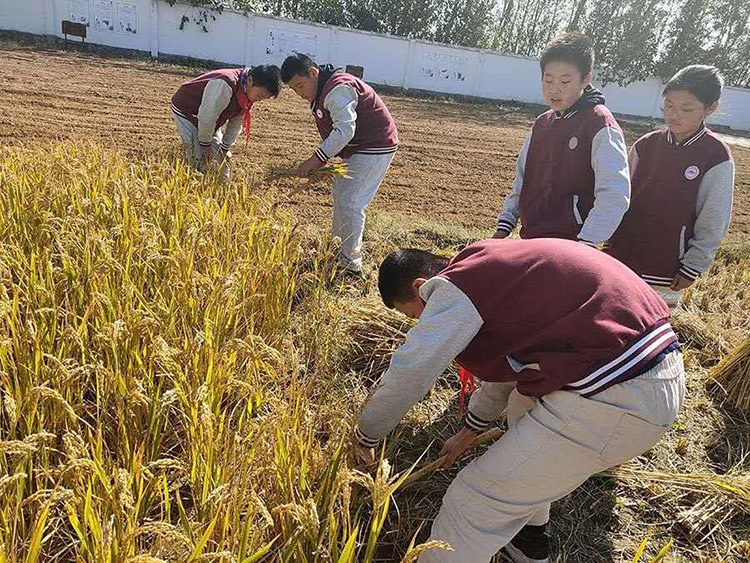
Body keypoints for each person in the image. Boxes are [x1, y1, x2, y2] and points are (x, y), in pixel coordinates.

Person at [353, 239, 685, 563]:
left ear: (422, 286)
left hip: (617, 395)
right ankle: (528, 540)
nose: (421, 324)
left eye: (414, 316)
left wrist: (366, 434)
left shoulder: (453, 288)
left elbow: (414, 366)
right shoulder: (492, 269)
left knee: (473, 501)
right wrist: (471, 429)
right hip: (651, 370)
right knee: (521, 410)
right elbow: (514, 369)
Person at [606, 65, 734, 309]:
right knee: (610, 319)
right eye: (668, 106)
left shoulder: (715, 156)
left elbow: (714, 219)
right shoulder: (646, 145)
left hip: (667, 269)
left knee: (650, 327)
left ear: (710, 108)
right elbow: (620, 196)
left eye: (686, 109)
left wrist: (693, 266)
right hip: (621, 257)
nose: (674, 115)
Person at [493, 33, 630, 247]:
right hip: (532, 239)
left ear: (586, 79)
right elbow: (521, 181)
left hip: (572, 245)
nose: (554, 89)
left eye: (565, 81)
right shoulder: (541, 124)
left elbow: (615, 193)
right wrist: (504, 225)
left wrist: (586, 243)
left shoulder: (599, 123)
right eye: (548, 80)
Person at [280, 53, 399, 275]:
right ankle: (338, 248)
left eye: (300, 85)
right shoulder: (323, 89)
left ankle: (351, 265)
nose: (299, 93)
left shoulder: (337, 89)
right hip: (358, 148)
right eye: (294, 89)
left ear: (313, 73)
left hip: (374, 146)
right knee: (340, 195)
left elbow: (345, 130)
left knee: (351, 202)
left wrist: (317, 158)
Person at [170, 65, 281, 182]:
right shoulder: (225, 83)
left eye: (263, 98)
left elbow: (236, 122)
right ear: (250, 80)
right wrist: (205, 145)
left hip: (214, 117)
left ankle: (219, 184)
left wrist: (225, 147)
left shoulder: (246, 93)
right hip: (187, 110)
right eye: (260, 96)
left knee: (221, 160)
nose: (259, 100)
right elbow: (207, 116)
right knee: (199, 158)